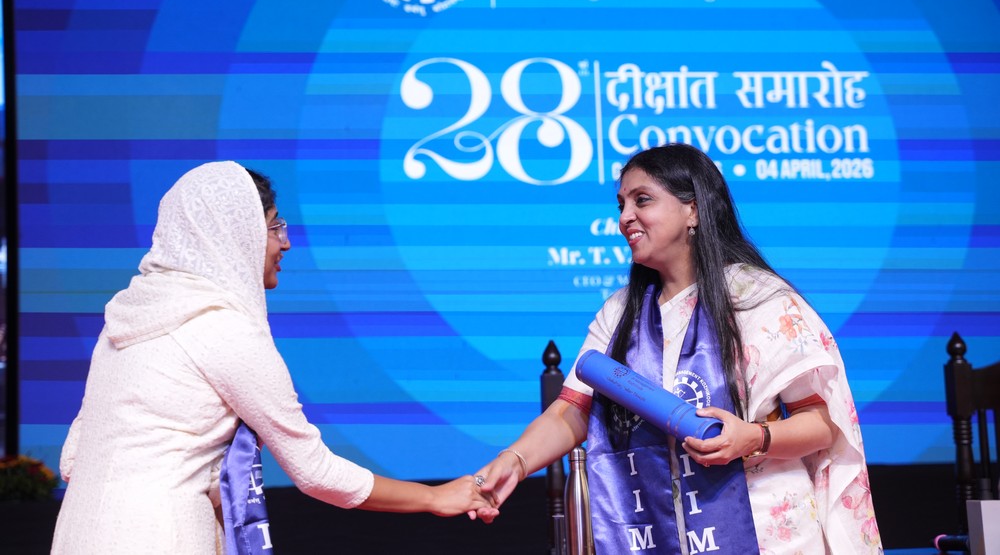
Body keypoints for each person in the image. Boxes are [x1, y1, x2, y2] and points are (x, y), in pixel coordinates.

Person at [51, 161, 492, 554]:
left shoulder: (128, 317)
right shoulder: (221, 328)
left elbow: (72, 459)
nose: (287, 243)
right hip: (163, 537)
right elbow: (315, 471)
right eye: (274, 226)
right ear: (235, 233)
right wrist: (435, 497)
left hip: (76, 534)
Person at [472, 144, 882, 554]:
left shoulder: (759, 299)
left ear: (693, 210)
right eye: (621, 204)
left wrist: (753, 437)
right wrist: (515, 461)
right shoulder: (619, 313)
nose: (624, 217)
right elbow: (573, 411)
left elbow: (822, 424)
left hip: (765, 533)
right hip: (655, 530)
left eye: (642, 200)